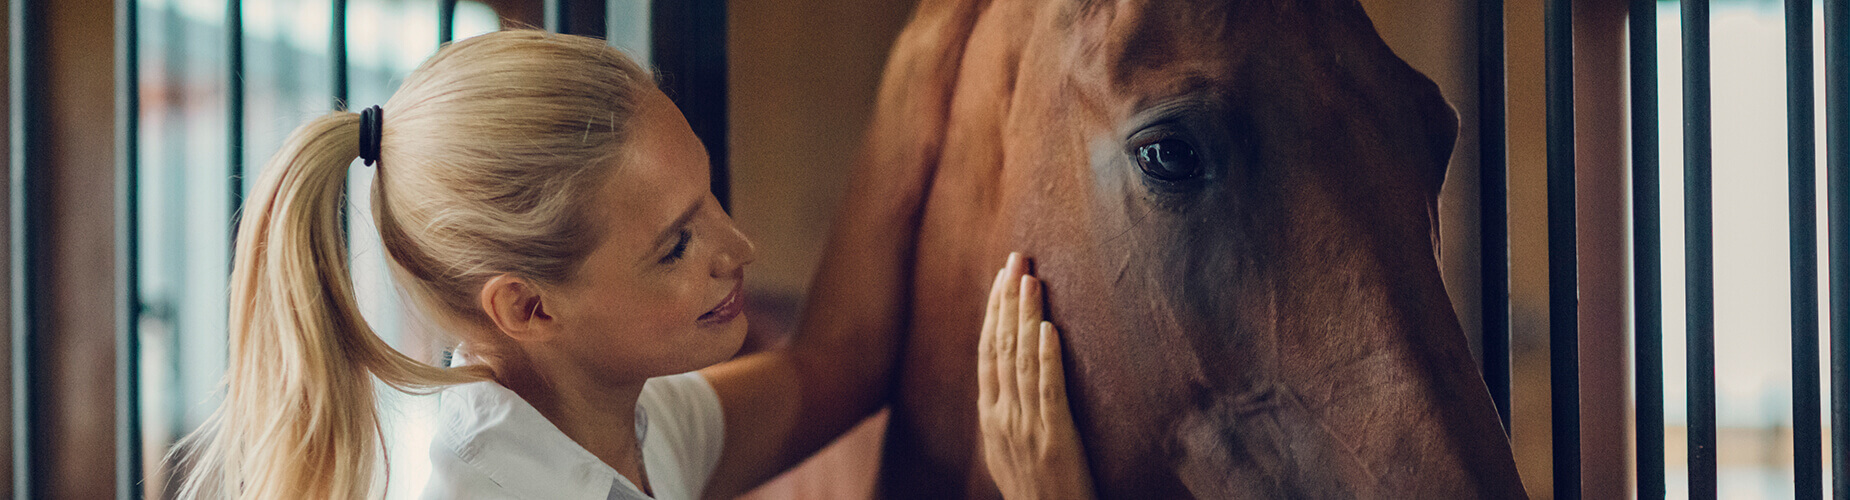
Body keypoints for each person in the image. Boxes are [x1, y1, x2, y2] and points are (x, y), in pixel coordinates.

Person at [170, 29, 1093, 500]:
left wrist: (928, 57)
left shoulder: (609, 420)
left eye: (709, 197)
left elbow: (835, 366)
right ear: (527, 308)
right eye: (677, 244)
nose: (738, 249)